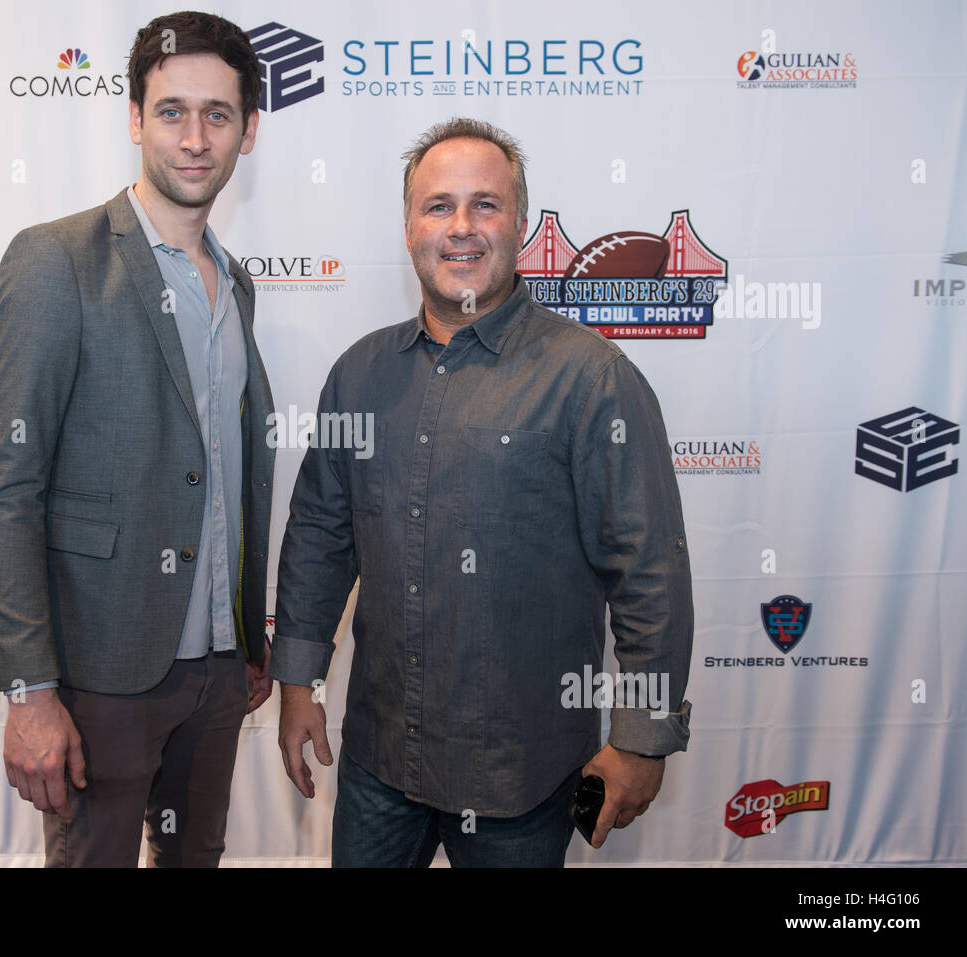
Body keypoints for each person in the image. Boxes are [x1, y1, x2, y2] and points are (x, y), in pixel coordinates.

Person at [271, 117, 694, 867]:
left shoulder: (592, 378)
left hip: (521, 777)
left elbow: (649, 574)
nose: (461, 227)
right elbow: (319, 535)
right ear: (408, 227)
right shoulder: (359, 375)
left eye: (485, 205)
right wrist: (299, 682)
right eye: (439, 206)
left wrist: (642, 737)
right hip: (378, 764)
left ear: (522, 225)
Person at [0, 10, 275, 867]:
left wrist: (244, 637)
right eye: (171, 111)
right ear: (134, 118)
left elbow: (224, 474)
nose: (194, 138)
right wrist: (30, 690)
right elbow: (11, 489)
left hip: (219, 674)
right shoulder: (56, 260)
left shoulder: (238, 284)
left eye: (217, 114)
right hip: (98, 676)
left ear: (248, 131)